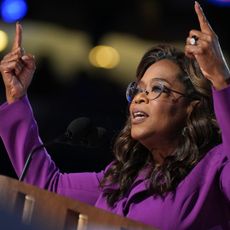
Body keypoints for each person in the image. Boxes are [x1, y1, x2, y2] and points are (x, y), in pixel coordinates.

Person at [0, 2, 229, 229]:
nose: (140, 97)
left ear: (191, 107)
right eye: (138, 89)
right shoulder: (120, 178)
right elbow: (47, 187)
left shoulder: (214, 168)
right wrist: (16, 98)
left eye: (158, 88)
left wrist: (220, 79)